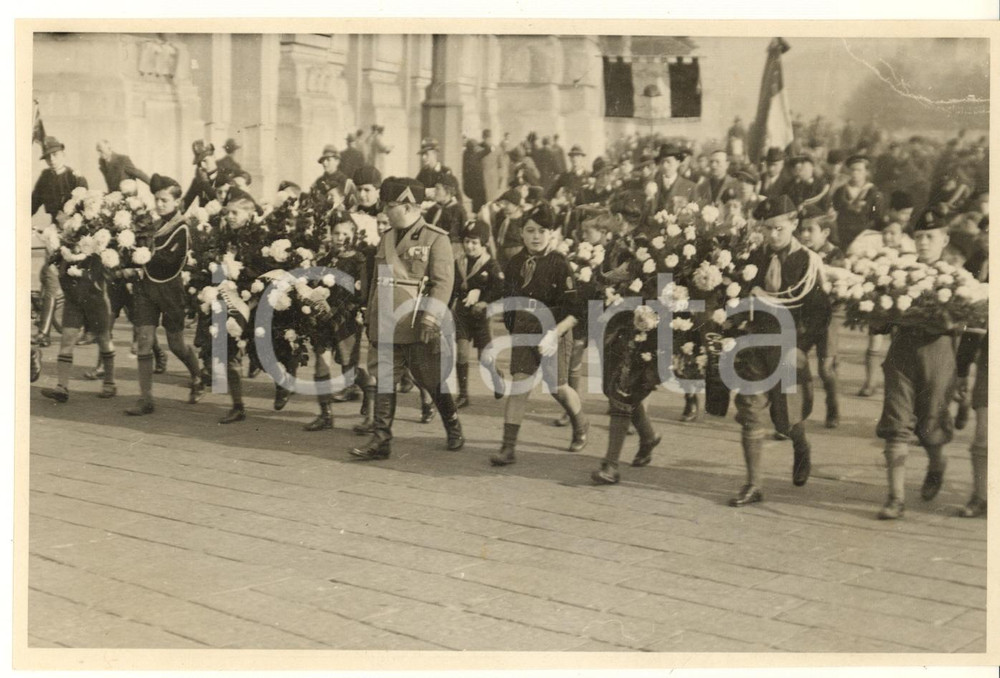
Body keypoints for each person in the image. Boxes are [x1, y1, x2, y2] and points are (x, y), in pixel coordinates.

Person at [350, 177, 464, 460]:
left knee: (430, 379)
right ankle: (381, 440)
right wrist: (371, 317)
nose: (385, 211)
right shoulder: (387, 237)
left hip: (418, 323)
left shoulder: (435, 238)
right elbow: (377, 282)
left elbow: (443, 283)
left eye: (389, 206)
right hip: (387, 322)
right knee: (384, 378)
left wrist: (431, 318)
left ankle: (452, 424)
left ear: (408, 206)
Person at [728, 196, 825, 507]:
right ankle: (754, 484)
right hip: (756, 343)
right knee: (750, 411)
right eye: (767, 228)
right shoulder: (754, 256)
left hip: (789, 345)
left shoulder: (807, 261)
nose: (772, 235)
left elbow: (820, 312)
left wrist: (803, 348)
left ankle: (801, 446)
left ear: (794, 224)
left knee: (786, 419)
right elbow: (740, 294)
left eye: (779, 228)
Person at [874, 207, 960, 520]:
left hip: (938, 353)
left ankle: (937, 465)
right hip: (902, 352)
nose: (923, 242)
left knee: (932, 423)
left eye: (930, 237)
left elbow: (964, 322)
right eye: (919, 236)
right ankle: (895, 497)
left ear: (944, 239)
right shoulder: (899, 271)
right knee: (896, 422)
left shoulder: (956, 277)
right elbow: (880, 321)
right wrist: (880, 310)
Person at [489, 202, 589, 467]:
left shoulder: (559, 263)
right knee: (520, 385)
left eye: (542, 231)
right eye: (530, 230)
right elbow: (509, 300)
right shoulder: (514, 263)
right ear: (521, 233)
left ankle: (581, 424)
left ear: (551, 233)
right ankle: (508, 447)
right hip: (525, 330)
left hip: (555, 330)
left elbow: (574, 311)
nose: (536, 237)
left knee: (558, 388)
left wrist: (554, 334)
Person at [124, 174, 206, 416]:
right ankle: (146, 398)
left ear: (177, 202)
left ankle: (197, 376)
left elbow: (171, 261)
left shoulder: (182, 227)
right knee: (144, 340)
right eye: (157, 199)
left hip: (170, 289)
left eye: (164, 200)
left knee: (176, 344)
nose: (159, 204)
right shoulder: (152, 223)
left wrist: (141, 260)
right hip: (146, 289)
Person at [305, 215, 369, 431]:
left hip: (345, 319)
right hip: (323, 319)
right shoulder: (325, 259)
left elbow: (359, 294)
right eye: (336, 233)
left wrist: (338, 310)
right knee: (321, 362)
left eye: (345, 234)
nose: (340, 238)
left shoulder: (359, 261)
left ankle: (370, 399)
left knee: (349, 368)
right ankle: (326, 415)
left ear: (353, 235)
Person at [849, 190, 916, 398]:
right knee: (874, 340)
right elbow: (857, 254)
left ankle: (896, 385)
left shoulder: (909, 243)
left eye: (908, 214)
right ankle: (870, 382)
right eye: (903, 213)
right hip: (880, 299)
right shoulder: (873, 237)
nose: (888, 237)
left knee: (898, 343)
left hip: (900, 299)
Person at [31, 137, 87, 348]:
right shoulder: (45, 177)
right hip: (55, 234)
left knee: (74, 280)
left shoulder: (76, 177)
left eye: (55, 155)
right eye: (48, 157)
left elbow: (86, 209)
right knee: (49, 278)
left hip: (75, 235)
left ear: (63, 154)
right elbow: (33, 203)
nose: (52, 160)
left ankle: (89, 328)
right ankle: (44, 331)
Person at [795, 204, 845, 428]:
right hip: (804, 316)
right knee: (796, 361)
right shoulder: (798, 253)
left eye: (810, 230)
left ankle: (833, 406)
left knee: (825, 368)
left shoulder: (835, 254)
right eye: (802, 230)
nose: (805, 235)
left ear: (825, 232)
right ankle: (800, 409)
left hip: (828, 317)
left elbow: (839, 287)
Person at [450, 218, 505, 409]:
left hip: (482, 315)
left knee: (485, 359)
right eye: (467, 241)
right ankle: (463, 394)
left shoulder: (490, 264)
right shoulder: (458, 262)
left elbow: (499, 288)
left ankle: (496, 376)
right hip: (462, 313)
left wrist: (484, 300)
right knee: (462, 352)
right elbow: (453, 287)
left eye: (474, 242)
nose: (470, 246)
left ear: (484, 244)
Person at [831, 154, 885, 251]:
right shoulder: (841, 191)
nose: (855, 173)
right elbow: (835, 209)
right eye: (852, 170)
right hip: (843, 234)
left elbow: (876, 215)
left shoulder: (874, 193)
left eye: (859, 170)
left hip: (864, 236)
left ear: (866, 172)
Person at [424, 173, 467, 259]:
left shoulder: (458, 211)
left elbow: (463, 235)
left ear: (448, 191)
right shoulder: (433, 209)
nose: (435, 191)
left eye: (438, 189)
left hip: (450, 252)